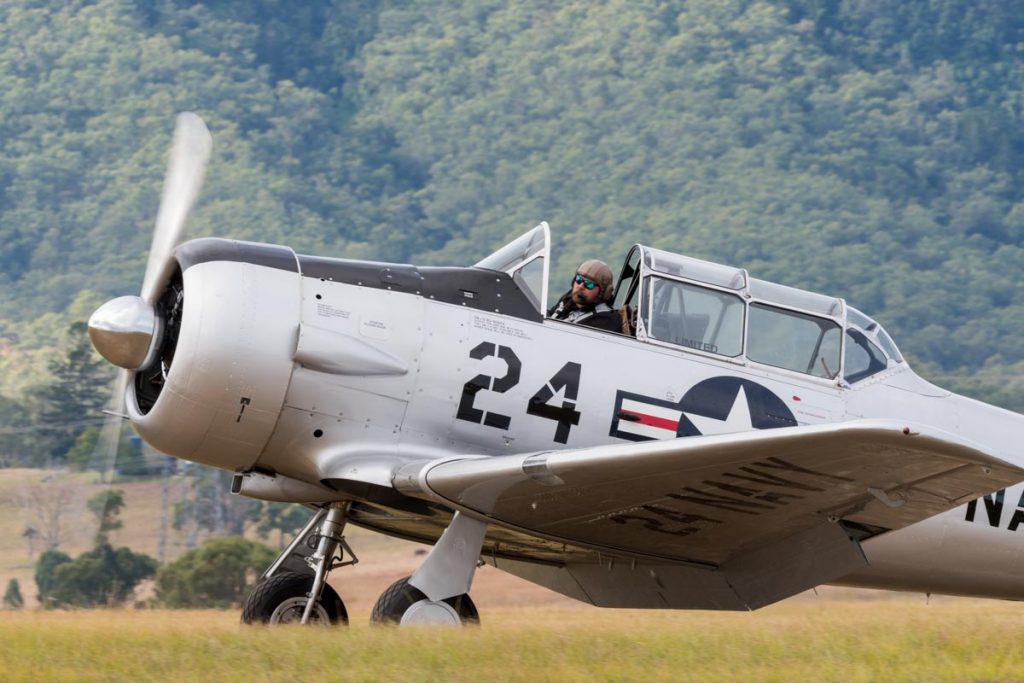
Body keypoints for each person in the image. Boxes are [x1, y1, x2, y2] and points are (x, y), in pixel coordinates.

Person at [548, 259, 622, 332]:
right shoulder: (568, 299)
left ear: (603, 292)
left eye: (589, 284)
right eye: (578, 279)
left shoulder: (605, 321)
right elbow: (550, 314)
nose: (580, 286)